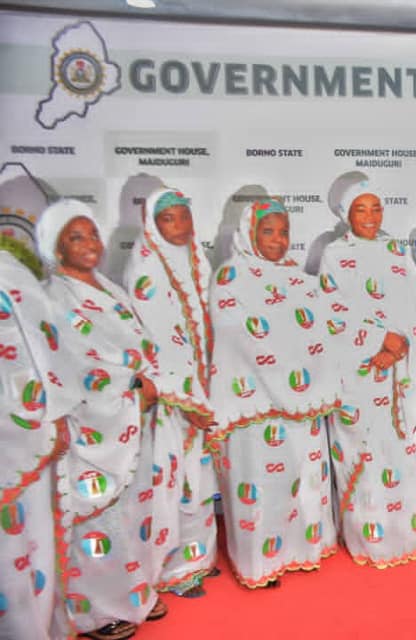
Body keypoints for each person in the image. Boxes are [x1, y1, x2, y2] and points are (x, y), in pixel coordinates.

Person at [36, 199, 177, 640]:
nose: (91, 244)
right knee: (100, 518)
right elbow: (72, 363)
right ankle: (96, 612)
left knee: (136, 510)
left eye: (93, 234)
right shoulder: (55, 297)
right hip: (93, 427)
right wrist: (134, 386)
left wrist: (147, 381)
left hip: (131, 419)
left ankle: (134, 593)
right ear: (57, 250)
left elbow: (139, 341)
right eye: (76, 238)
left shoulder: (108, 287)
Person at [207, 198, 339, 587]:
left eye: (284, 232)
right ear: (249, 233)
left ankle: (303, 551)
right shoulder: (231, 277)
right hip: (256, 406)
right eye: (269, 231)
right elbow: (239, 337)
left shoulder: (297, 278)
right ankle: (260, 565)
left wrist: (308, 383)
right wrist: (286, 381)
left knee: (302, 479)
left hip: (301, 405)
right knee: (261, 489)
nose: (279, 241)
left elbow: (321, 333)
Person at [317, 172, 416, 567]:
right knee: (365, 458)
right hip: (360, 375)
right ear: (346, 214)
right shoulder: (336, 254)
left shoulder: (397, 252)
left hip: (401, 371)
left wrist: (403, 347)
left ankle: (408, 534)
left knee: (400, 455)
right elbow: (332, 316)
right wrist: (378, 343)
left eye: (375, 208)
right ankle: (369, 540)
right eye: (360, 209)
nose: (370, 217)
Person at [122, 187, 219, 597]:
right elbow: (160, 342)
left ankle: (200, 559)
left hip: (200, 392)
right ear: (151, 225)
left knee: (199, 479)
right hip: (171, 399)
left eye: (184, 216)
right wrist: (191, 401)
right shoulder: (146, 268)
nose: (180, 226)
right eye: (169, 219)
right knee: (172, 482)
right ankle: (173, 571)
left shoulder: (196, 259)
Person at [0, 222, 75, 640]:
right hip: (22, 437)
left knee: (26, 551)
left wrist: (53, 416)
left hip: (22, 435)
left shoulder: (9, 272)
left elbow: (42, 353)